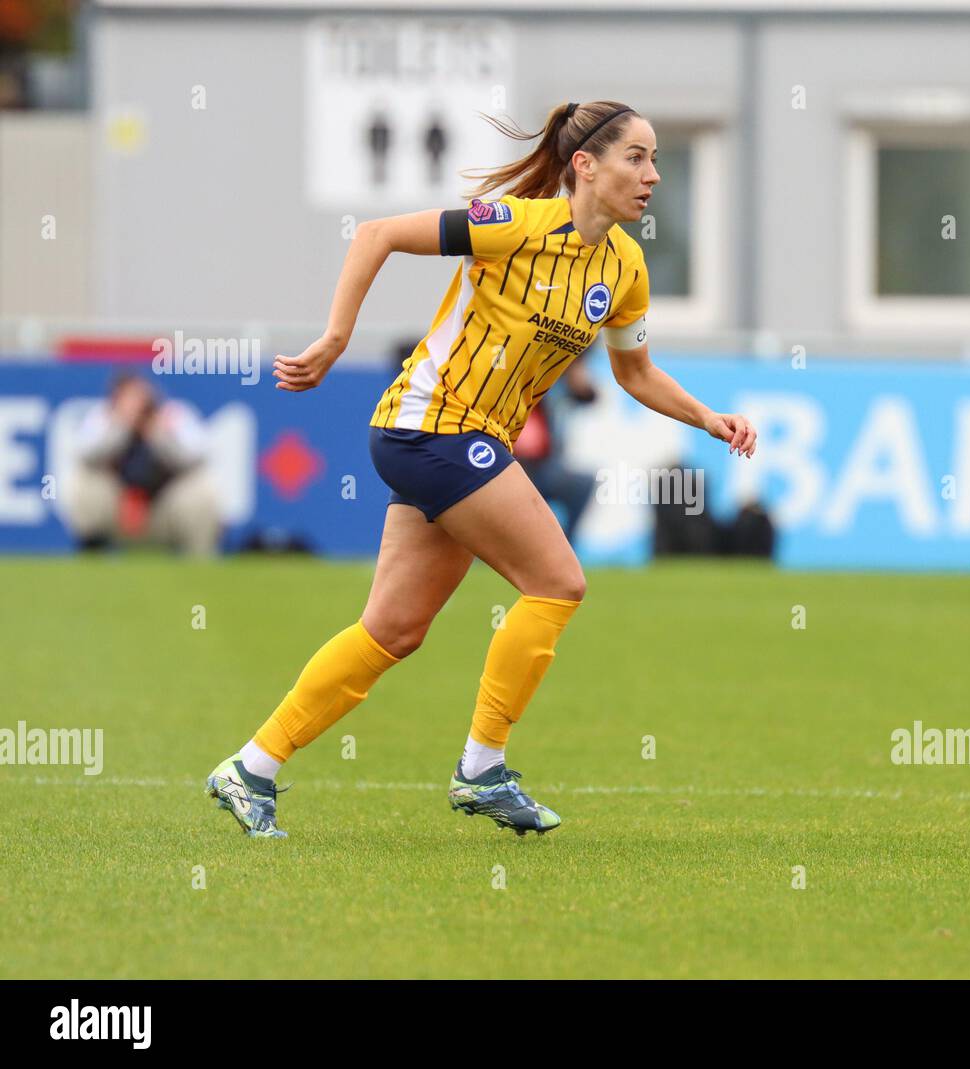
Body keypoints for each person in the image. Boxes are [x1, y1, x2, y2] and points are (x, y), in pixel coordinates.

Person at [205, 100, 757, 839]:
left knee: (393, 629)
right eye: (637, 158)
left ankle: (252, 766)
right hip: (432, 426)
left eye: (656, 160)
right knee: (558, 580)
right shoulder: (515, 225)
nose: (653, 175)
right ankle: (481, 768)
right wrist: (336, 338)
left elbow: (636, 372)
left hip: (458, 443)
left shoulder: (624, 268)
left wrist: (709, 418)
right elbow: (376, 235)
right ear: (584, 166)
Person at [66, 372, 221, 555]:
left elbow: (196, 457)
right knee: (86, 481)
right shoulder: (104, 418)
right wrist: (121, 426)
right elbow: (85, 454)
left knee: (200, 489)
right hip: (119, 509)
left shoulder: (173, 416)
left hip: (165, 510)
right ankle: (92, 551)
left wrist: (159, 435)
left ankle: (199, 559)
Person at [513, 352, 599, 544]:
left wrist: (577, 374)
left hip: (545, 467)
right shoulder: (527, 372)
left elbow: (588, 395)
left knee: (582, 484)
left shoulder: (560, 380)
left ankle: (565, 546)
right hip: (515, 464)